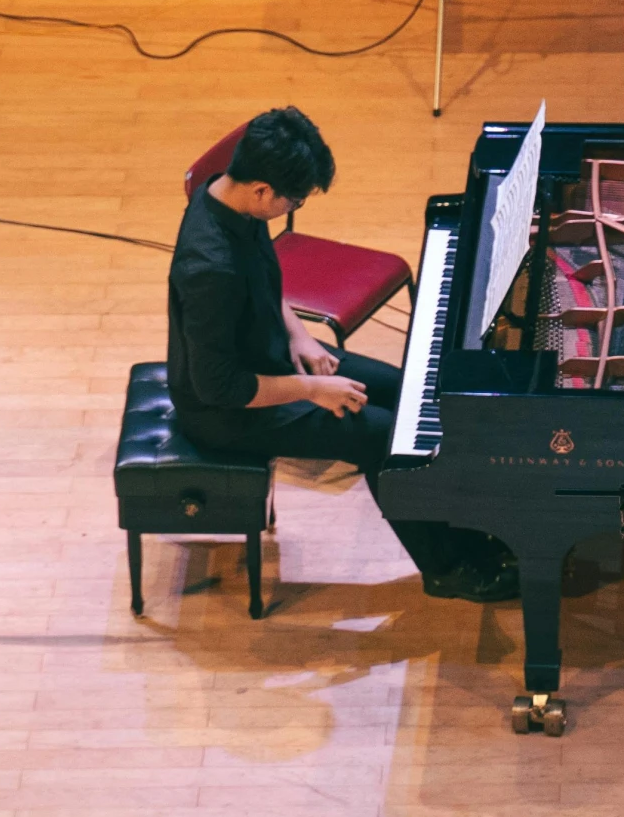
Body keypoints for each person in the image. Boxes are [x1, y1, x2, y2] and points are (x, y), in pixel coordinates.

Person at [166, 106, 515, 601]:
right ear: (263, 189)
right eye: (294, 200)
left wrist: (300, 338)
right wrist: (312, 390)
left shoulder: (229, 195)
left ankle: (467, 519)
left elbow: (263, 281)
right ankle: (448, 567)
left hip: (272, 356)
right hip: (227, 410)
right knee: (380, 438)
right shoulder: (210, 268)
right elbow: (220, 387)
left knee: (408, 389)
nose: (293, 209)